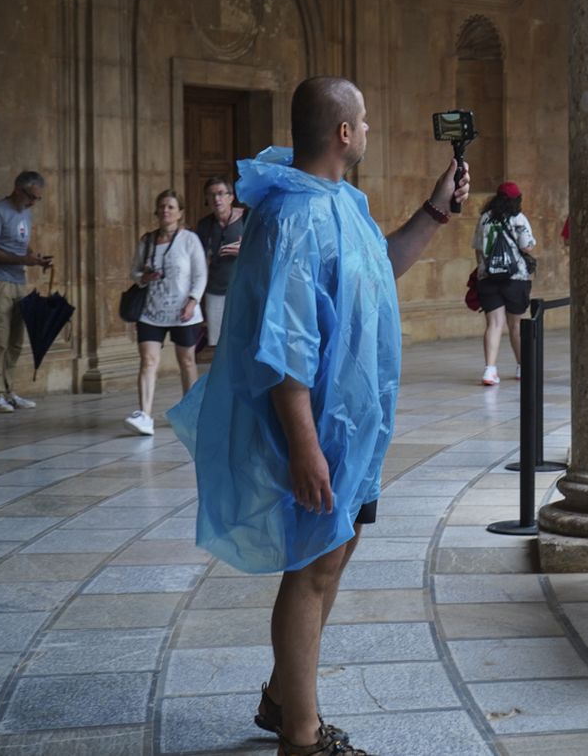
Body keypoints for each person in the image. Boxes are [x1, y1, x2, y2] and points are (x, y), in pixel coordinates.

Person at [167, 76, 469, 756]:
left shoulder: (338, 202)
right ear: (342, 133)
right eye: (361, 121)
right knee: (310, 570)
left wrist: (435, 210)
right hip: (320, 432)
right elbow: (286, 348)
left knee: (332, 557)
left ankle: (283, 695)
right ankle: (300, 738)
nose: (366, 130)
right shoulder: (295, 216)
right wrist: (305, 448)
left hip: (352, 430)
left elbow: (377, 266)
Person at [127, 190, 208, 437]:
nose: (166, 211)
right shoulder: (148, 240)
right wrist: (144, 277)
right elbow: (134, 272)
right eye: (162, 206)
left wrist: (193, 301)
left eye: (171, 207)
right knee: (148, 360)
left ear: (180, 212)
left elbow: (200, 273)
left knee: (186, 361)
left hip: (183, 311)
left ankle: (190, 413)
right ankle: (145, 415)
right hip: (152, 310)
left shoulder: (189, 239)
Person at [0, 171, 53, 413]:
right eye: (31, 197)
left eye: (37, 199)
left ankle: (9, 391)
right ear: (18, 190)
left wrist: (35, 259)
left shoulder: (25, 214)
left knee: (16, 341)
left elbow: (21, 244)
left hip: (18, 280)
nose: (33, 203)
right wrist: (22, 259)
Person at [473, 181, 537, 386]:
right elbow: (526, 246)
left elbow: (478, 249)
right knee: (515, 324)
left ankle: (489, 370)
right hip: (514, 278)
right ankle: (521, 367)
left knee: (494, 324)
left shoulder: (485, 219)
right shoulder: (518, 218)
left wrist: (483, 271)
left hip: (489, 278)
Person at [195, 176, 247, 348]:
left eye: (220, 193)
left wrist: (244, 250)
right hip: (215, 291)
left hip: (243, 290)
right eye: (211, 195)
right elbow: (198, 258)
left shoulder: (246, 218)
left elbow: (265, 249)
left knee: (242, 339)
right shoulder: (204, 225)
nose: (216, 199)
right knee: (218, 343)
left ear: (231, 197)